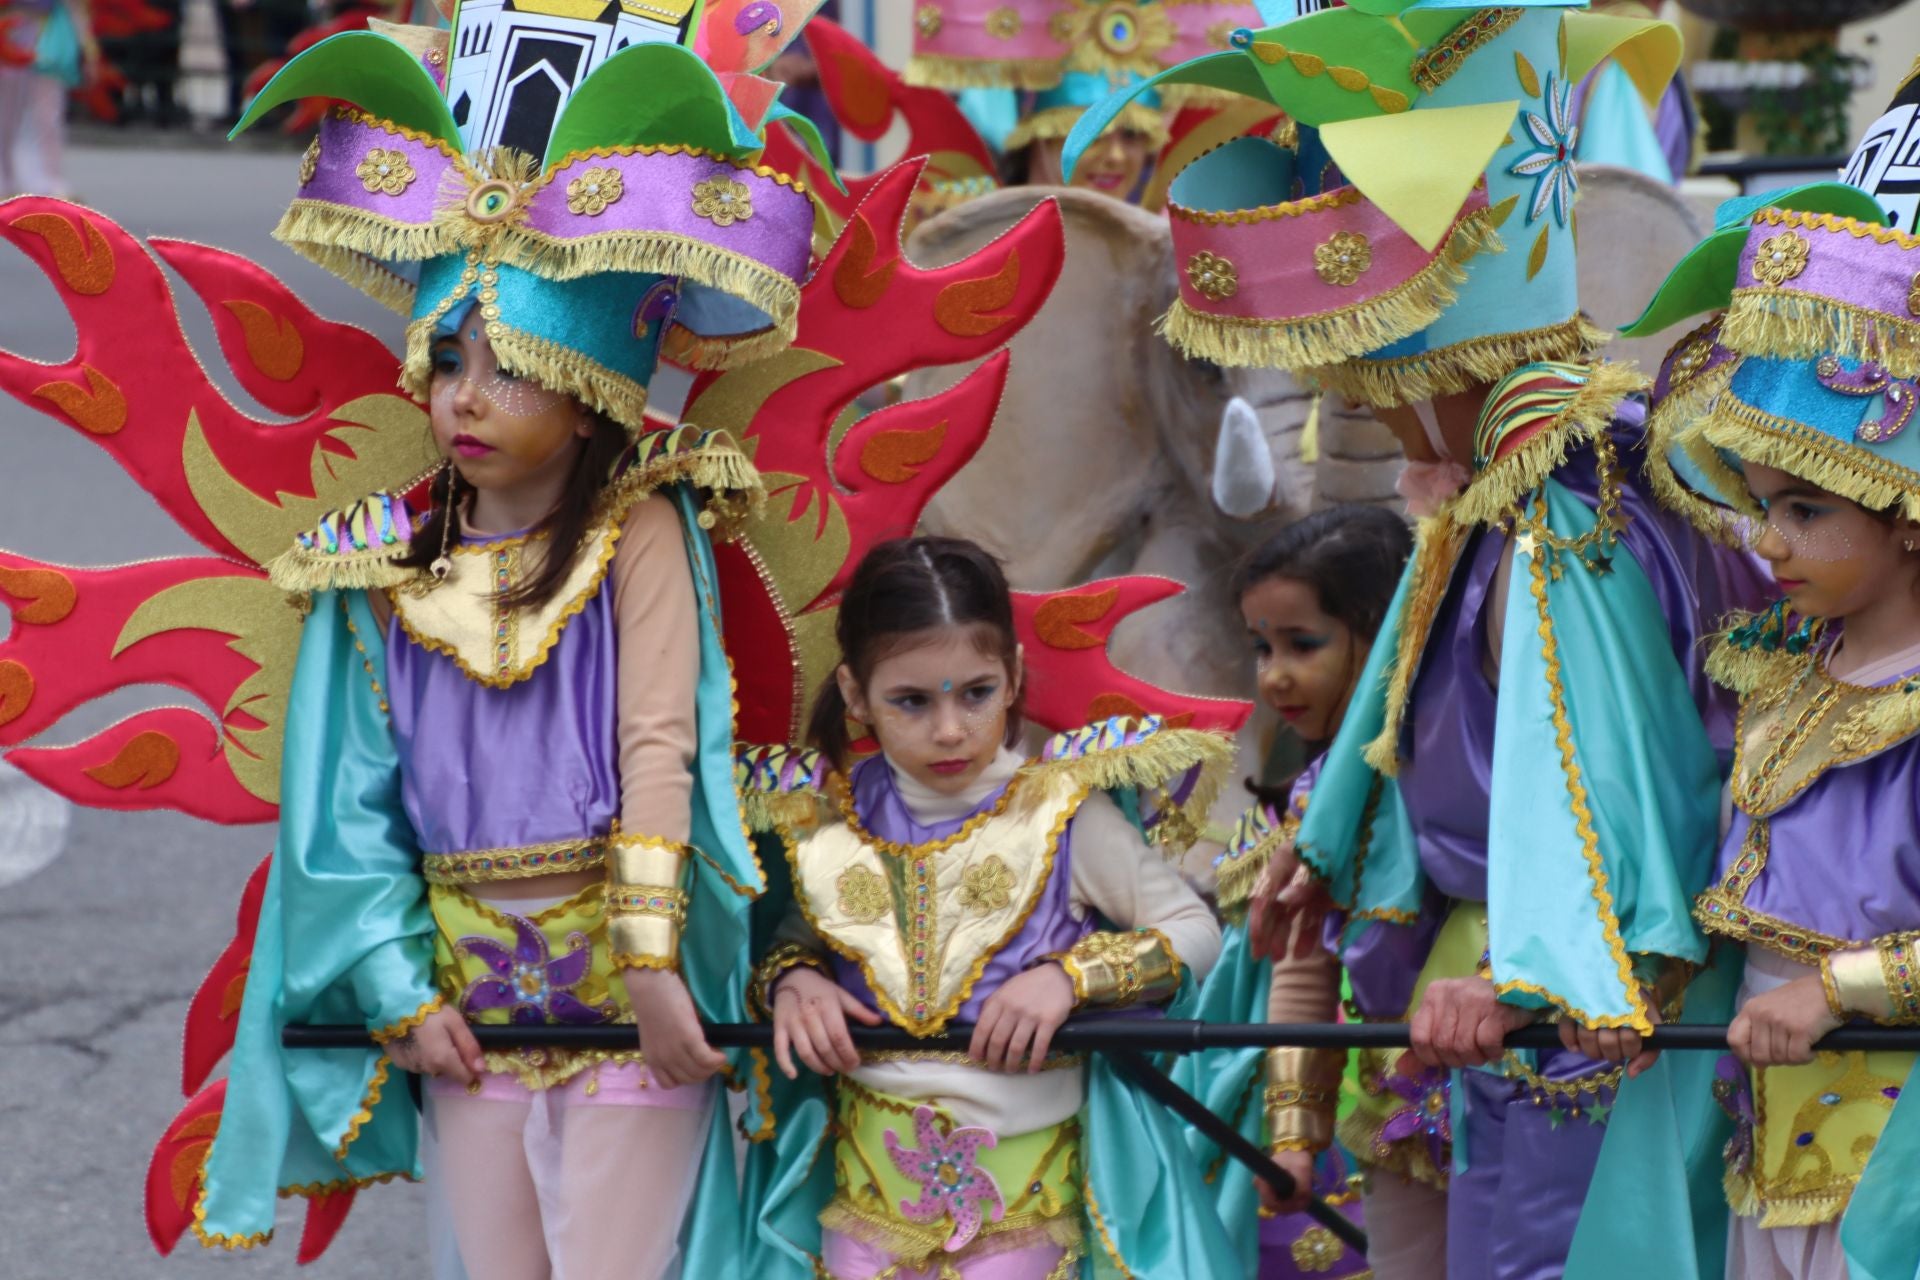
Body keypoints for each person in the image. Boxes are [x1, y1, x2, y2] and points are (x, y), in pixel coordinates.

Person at [1068, 5, 1767, 1277]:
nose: (1361, 402)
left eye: (1374, 365)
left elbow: (1608, 785)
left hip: (1552, 1017)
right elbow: (1410, 694)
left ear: (1448, 342)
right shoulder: (1499, 492)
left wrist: (1522, 977)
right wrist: (1328, 845)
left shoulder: (1567, 521)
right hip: (1484, 995)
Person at [183, 3, 825, 1273]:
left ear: (592, 399)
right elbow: (343, 805)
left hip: (632, 1004)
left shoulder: (646, 525)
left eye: (512, 364)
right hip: (463, 1009)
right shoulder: (373, 562)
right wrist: (394, 988)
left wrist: (650, 963)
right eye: (448, 361)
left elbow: (661, 743)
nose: (466, 397)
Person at [1563, 60, 1920, 1280]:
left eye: (1805, 509)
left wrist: (1838, 991)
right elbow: (1741, 902)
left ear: (1905, 511)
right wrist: (1641, 989)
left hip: (1899, 1158)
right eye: (1763, 503)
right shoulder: (1783, 672)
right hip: (1765, 1138)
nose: (1765, 541)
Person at [741, 535, 1240, 1280]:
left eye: (974, 693)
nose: (949, 730)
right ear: (853, 694)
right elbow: (795, 937)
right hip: (860, 1189)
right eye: (911, 701)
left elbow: (1196, 931)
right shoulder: (822, 819)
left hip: (1028, 1200)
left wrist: (1071, 978)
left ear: (1012, 679)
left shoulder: (1064, 811)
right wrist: (792, 980)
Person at [1181, 504, 1430, 1280]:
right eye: (1261, 649)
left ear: (1384, 630)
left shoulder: (1453, 771)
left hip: (1504, 1079)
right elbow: (1303, 963)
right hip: (1385, 1105)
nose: (1273, 675)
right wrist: (1292, 1134)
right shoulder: (1319, 795)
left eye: (1302, 644)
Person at [0, 0, 97, 197]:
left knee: (48, 115)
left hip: (47, 31)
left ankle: (50, 179)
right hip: (7, 28)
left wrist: (88, 48)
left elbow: (75, 5)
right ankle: (5, 179)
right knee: (6, 115)